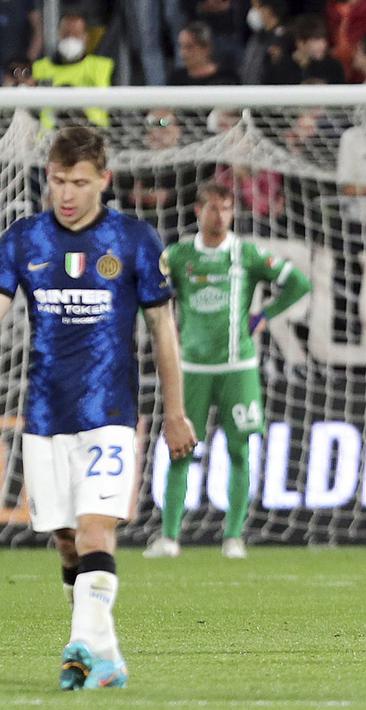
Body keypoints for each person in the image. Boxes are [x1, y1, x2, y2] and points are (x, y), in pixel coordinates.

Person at [0, 126, 197, 690]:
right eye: (58, 181)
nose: (67, 194)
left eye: (79, 183)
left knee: (94, 531)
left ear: (104, 180)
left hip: (110, 415)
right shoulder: (23, 240)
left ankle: (80, 648)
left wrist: (175, 413)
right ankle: (104, 657)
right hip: (44, 416)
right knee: (66, 540)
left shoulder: (133, 240)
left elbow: (163, 332)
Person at [144, 182, 310, 560]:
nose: (220, 216)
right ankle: (169, 538)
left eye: (226, 209)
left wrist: (264, 315)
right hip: (191, 368)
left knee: (239, 449)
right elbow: (149, 292)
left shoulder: (246, 254)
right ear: (197, 211)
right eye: (213, 208)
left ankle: (234, 537)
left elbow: (299, 283)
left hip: (238, 367)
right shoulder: (179, 255)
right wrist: (162, 324)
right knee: (180, 450)